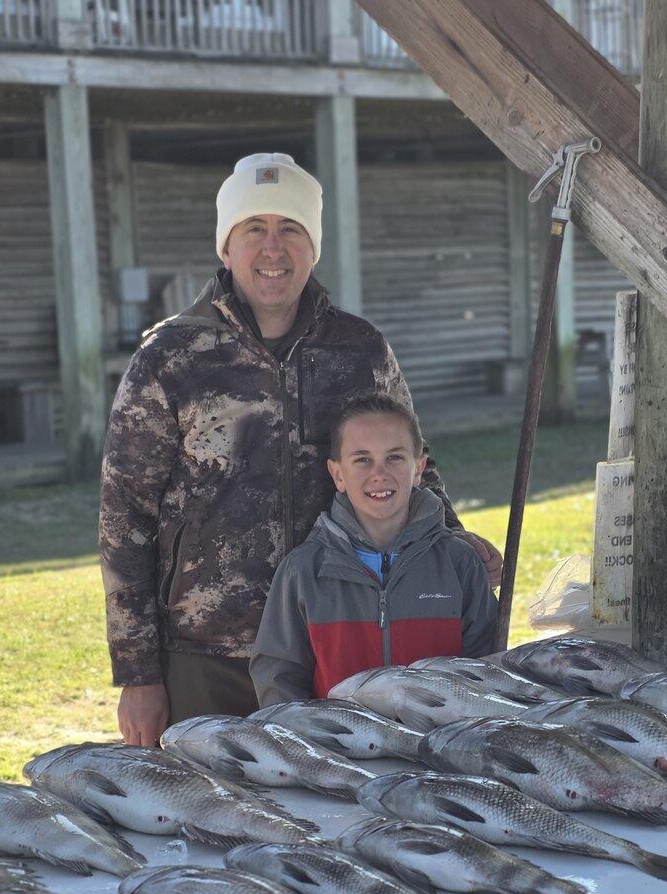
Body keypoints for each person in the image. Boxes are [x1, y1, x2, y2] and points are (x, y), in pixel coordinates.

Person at [99, 152, 503, 745]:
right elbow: (124, 516)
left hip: (336, 644)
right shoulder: (171, 357)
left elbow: (411, 464)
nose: (273, 248)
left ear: (312, 247)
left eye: (290, 229)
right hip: (208, 654)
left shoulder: (359, 349)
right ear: (226, 246)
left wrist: (450, 542)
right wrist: (138, 675)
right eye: (254, 229)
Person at [250, 392, 498, 704]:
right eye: (362, 459)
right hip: (339, 748)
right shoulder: (303, 571)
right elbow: (278, 680)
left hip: (439, 744)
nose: (379, 474)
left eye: (394, 457)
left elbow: (487, 669)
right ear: (338, 474)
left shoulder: (459, 564)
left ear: (419, 468)